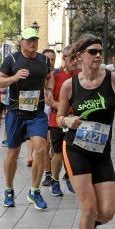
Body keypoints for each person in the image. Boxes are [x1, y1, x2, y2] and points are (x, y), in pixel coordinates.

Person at [56, 34, 115, 229]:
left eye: (100, 51)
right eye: (93, 52)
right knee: (88, 206)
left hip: (101, 152)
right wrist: (68, 119)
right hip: (76, 149)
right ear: (80, 57)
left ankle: (91, 228)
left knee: (106, 212)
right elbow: (58, 118)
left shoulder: (113, 79)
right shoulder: (70, 85)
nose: (98, 55)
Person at [0, 27, 54, 210]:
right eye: (29, 40)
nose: (32, 43)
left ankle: (34, 192)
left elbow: (49, 77)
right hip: (16, 113)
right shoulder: (12, 59)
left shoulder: (43, 60)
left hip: (36, 114)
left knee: (41, 150)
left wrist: (49, 89)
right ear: (21, 42)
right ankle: (9, 190)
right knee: (13, 154)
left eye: (35, 39)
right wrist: (14, 77)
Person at [46, 45, 79, 195]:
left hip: (76, 120)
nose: (74, 61)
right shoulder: (55, 76)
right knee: (58, 153)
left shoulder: (81, 75)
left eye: (76, 57)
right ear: (64, 59)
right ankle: (54, 180)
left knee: (73, 152)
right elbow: (49, 100)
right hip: (57, 120)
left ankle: (69, 177)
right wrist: (58, 105)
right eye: (71, 58)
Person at [40, 48, 57, 187]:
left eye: (52, 59)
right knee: (46, 145)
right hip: (41, 112)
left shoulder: (58, 74)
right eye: (47, 59)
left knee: (53, 145)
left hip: (55, 112)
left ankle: (54, 170)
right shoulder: (37, 73)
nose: (50, 62)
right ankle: (47, 173)